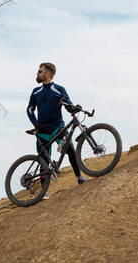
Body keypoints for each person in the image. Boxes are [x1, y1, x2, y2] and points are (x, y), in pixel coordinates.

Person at [27, 62, 88, 199]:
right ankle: (44, 191)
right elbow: (30, 109)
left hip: (57, 128)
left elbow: (68, 106)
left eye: (40, 71)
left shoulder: (59, 89)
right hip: (42, 131)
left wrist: (75, 108)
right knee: (43, 160)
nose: (37, 73)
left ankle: (79, 177)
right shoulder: (36, 92)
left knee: (70, 149)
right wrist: (36, 124)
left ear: (47, 74)